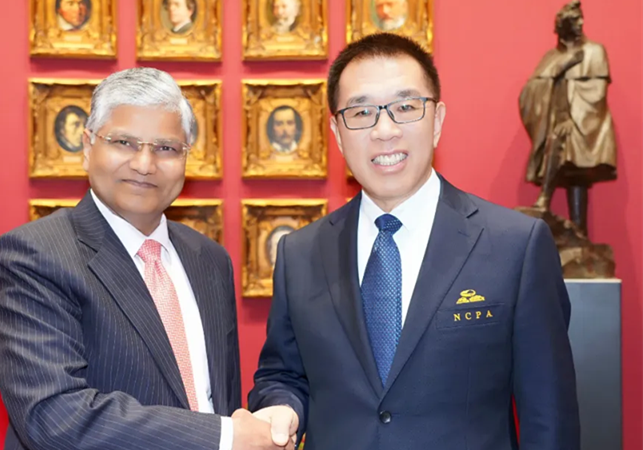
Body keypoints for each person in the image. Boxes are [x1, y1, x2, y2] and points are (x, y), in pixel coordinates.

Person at [247, 33, 580, 450]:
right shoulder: (299, 253)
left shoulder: (516, 246)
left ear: (437, 120)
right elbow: (282, 374)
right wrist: (281, 406)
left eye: (405, 107)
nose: (384, 130)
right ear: (337, 132)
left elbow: (549, 417)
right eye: (361, 112)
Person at [0, 67, 281, 450]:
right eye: (124, 142)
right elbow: (54, 416)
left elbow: (217, 399)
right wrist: (223, 437)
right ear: (87, 146)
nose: (145, 164)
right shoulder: (34, 256)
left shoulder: (209, 259)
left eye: (166, 148)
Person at [519, 0, 616, 236]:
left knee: (571, 159)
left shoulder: (595, 51)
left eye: (581, 19)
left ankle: (548, 202)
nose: (580, 23)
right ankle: (576, 230)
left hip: (585, 124)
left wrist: (575, 119)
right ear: (562, 26)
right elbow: (530, 91)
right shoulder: (551, 57)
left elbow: (597, 93)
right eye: (574, 20)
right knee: (560, 147)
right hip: (558, 121)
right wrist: (561, 66)